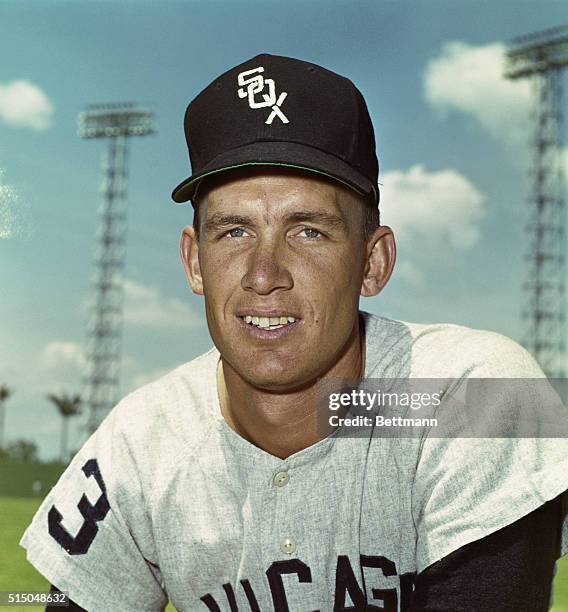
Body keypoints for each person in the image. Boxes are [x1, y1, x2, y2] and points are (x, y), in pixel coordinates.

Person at [21, 53, 568, 612]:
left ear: (372, 262)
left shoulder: (469, 395)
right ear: (193, 262)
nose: (264, 276)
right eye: (234, 231)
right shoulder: (141, 442)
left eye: (308, 231)